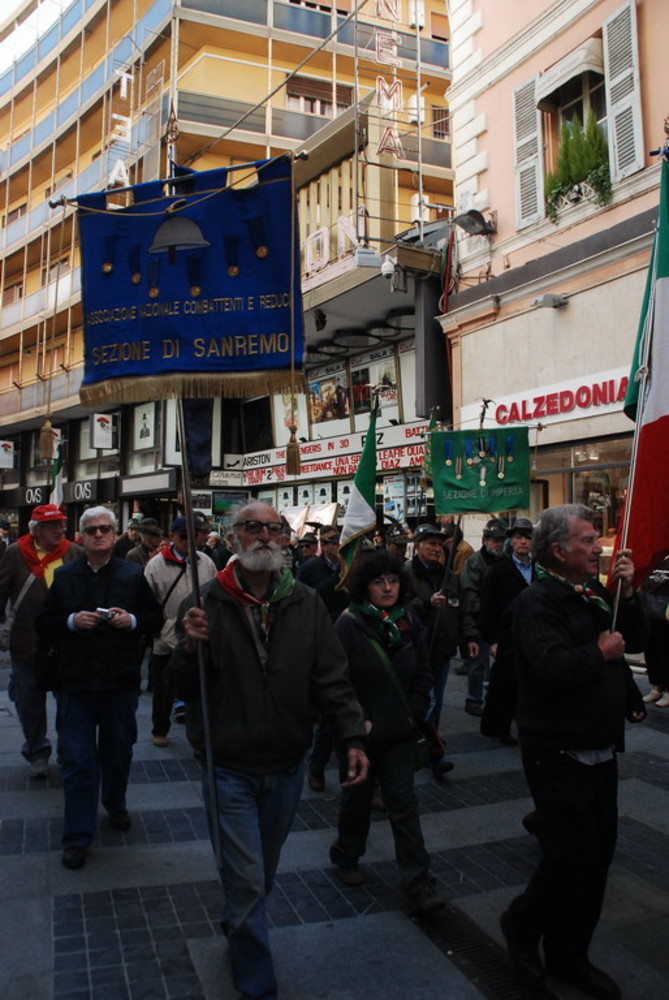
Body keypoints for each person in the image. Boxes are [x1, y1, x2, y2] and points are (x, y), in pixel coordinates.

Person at [170, 501, 369, 1000]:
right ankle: (257, 983)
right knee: (246, 879)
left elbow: (332, 678)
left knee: (263, 873)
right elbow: (176, 688)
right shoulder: (204, 601)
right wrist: (188, 647)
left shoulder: (305, 602)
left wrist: (351, 738)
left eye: (273, 529)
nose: (264, 535)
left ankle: (239, 921)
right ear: (232, 538)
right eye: (251, 527)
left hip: (285, 764)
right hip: (227, 765)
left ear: (284, 539)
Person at [500, 504, 645, 1000]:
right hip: (556, 752)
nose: (598, 547)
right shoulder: (536, 603)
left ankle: (569, 955)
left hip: (600, 749)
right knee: (570, 860)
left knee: (596, 860)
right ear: (559, 552)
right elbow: (552, 667)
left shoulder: (594, 593)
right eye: (587, 540)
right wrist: (598, 654)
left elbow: (635, 639)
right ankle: (521, 926)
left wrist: (632, 592)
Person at [35, 506, 162, 870]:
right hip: (75, 683)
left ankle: (115, 802)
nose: (98, 534)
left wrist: (131, 620)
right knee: (77, 761)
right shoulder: (66, 576)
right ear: (81, 536)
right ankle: (77, 836)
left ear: (116, 532)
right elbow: (45, 621)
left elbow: (153, 618)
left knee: (118, 751)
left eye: (105, 528)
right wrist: (73, 621)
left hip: (118, 682)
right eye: (91, 530)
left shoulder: (132, 574)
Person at [330, 551, 446, 915]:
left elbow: (423, 670)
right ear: (364, 587)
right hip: (359, 736)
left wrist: (413, 711)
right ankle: (347, 855)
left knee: (404, 805)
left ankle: (418, 881)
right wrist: (357, 721)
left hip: (399, 732)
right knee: (357, 802)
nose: (387, 587)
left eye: (393, 580)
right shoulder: (348, 623)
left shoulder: (409, 620)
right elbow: (336, 680)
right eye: (379, 581)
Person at [0, 503, 83, 777]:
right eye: (51, 525)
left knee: (68, 703)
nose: (59, 529)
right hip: (27, 643)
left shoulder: (74, 553)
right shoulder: (15, 554)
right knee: (29, 703)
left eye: (60, 523)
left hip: (65, 643)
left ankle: (66, 750)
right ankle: (37, 751)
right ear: (36, 530)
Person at [144, 516, 216, 747]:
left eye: (195, 535)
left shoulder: (206, 562)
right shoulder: (156, 565)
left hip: (198, 635)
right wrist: (158, 629)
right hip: (165, 637)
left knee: (198, 689)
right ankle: (160, 728)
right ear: (173, 537)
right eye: (184, 535)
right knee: (163, 688)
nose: (190, 540)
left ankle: (199, 737)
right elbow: (147, 600)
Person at [405, 523, 461, 780]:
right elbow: (401, 606)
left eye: (440, 545)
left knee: (435, 700)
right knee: (420, 699)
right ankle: (427, 746)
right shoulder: (405, 573)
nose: (437, 549)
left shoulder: (450, 575)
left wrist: (466, 637)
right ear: (418, 545)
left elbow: (459, 607)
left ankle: (432, 743)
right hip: (416, 647)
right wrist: (427, 604)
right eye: (431, 544)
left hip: (441, 647)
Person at [297, 525, 348, 791]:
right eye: (329, 542)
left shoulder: (352, 566)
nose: (334, 547)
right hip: (321, 639)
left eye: (338, 541)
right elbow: (307, 599)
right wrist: (336, 577)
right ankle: (316, 768)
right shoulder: (311, 568)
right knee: (328, 717)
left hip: (348, 642)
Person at [479, 517, 535, 746]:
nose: (522, 542)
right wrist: (492, 640)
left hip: (534, 636)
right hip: (507, 637)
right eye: (518, 537)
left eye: (527, 537)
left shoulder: (539, 569)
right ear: (510, 541)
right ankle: (499, 728)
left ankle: (528, 725)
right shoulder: (499, 571)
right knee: (505, 685)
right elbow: (488, 607)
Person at [459, 517, 507, 717]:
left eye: (501, 540)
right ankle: (474, 699)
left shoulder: (506, 562)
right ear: (485, 540)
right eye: (494, 540)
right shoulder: (475, 562)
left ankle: (498, 700)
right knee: (478, 664)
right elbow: (469, 597)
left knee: (502, 666)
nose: (498, 544)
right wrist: (470, 631)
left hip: (502, 622)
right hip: (480, 622)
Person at [639, 557, 669, 706]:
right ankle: (655, 686)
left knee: (666, 649)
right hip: (649, 606)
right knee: (651, 648)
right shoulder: (654, 557)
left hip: (666, 609)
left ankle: (667, 690)